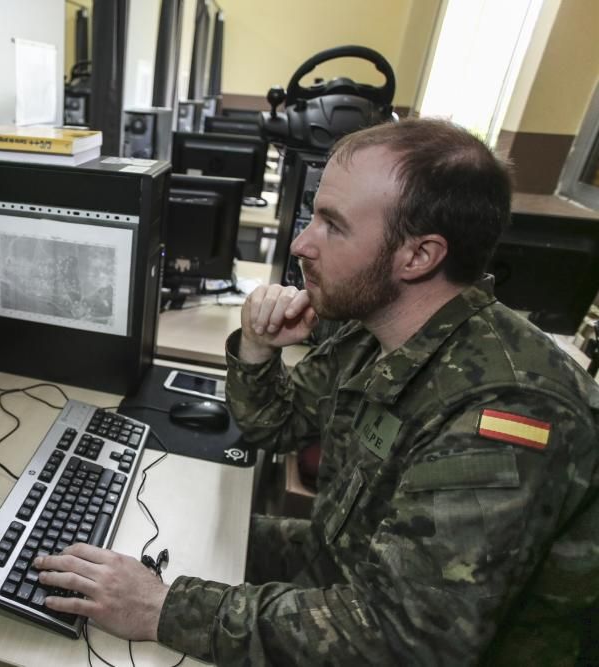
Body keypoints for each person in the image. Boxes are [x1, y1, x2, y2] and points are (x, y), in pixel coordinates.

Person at [34, 118, 599, 665]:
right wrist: (258, 348)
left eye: (333, 224)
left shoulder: (504, 410)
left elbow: (402, 641)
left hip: (400, 640)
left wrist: (162, 605)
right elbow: (273, 428)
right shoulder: (377, 330)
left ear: (419, 257)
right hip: (347, 586)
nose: (303, 242)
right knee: (171, 531)